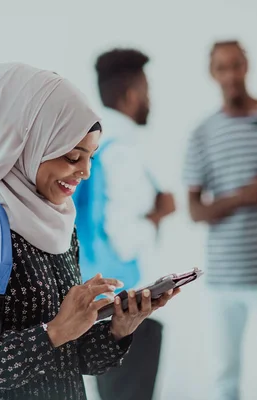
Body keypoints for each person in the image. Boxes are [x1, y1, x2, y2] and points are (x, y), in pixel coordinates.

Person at [0, 63, 179, 400]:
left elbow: (68, 357)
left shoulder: (58, 222)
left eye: (90, 157)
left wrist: (118, 328)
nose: (84, 171)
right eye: (73, 156)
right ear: (25, 142)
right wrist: (52, 333)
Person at [183, 40, 257, 400]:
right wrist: (247, 196)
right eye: (222, 68)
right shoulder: (203, 133)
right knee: (225, 377)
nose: (231, 75)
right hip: (224, 279)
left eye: (236, 65)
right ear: (212, 74)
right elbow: (194, 210)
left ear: (247, 66)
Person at [73, 48, 175, 400]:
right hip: (127, 304)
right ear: (131, 95)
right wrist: (159, 215)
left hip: (98, 297)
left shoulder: (94, 143)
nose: (149, 99)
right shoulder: (124, 149)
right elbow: (122, 234)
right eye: (146, 90)